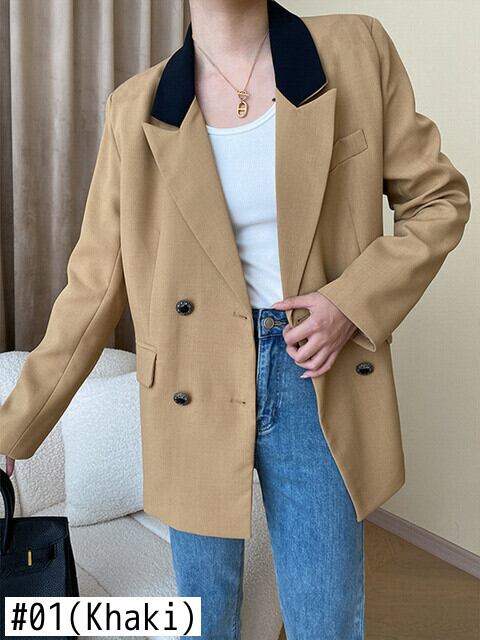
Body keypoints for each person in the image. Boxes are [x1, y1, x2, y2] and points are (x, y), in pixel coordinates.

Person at [1, 1, 471, 638]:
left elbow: (438, 201)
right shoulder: (135, 108)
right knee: (208, 621)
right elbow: (92, 290)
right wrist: (13, 428)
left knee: (326, 622)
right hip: (191, 384)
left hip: (315, 371)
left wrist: (350, 303)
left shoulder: (356, 49)